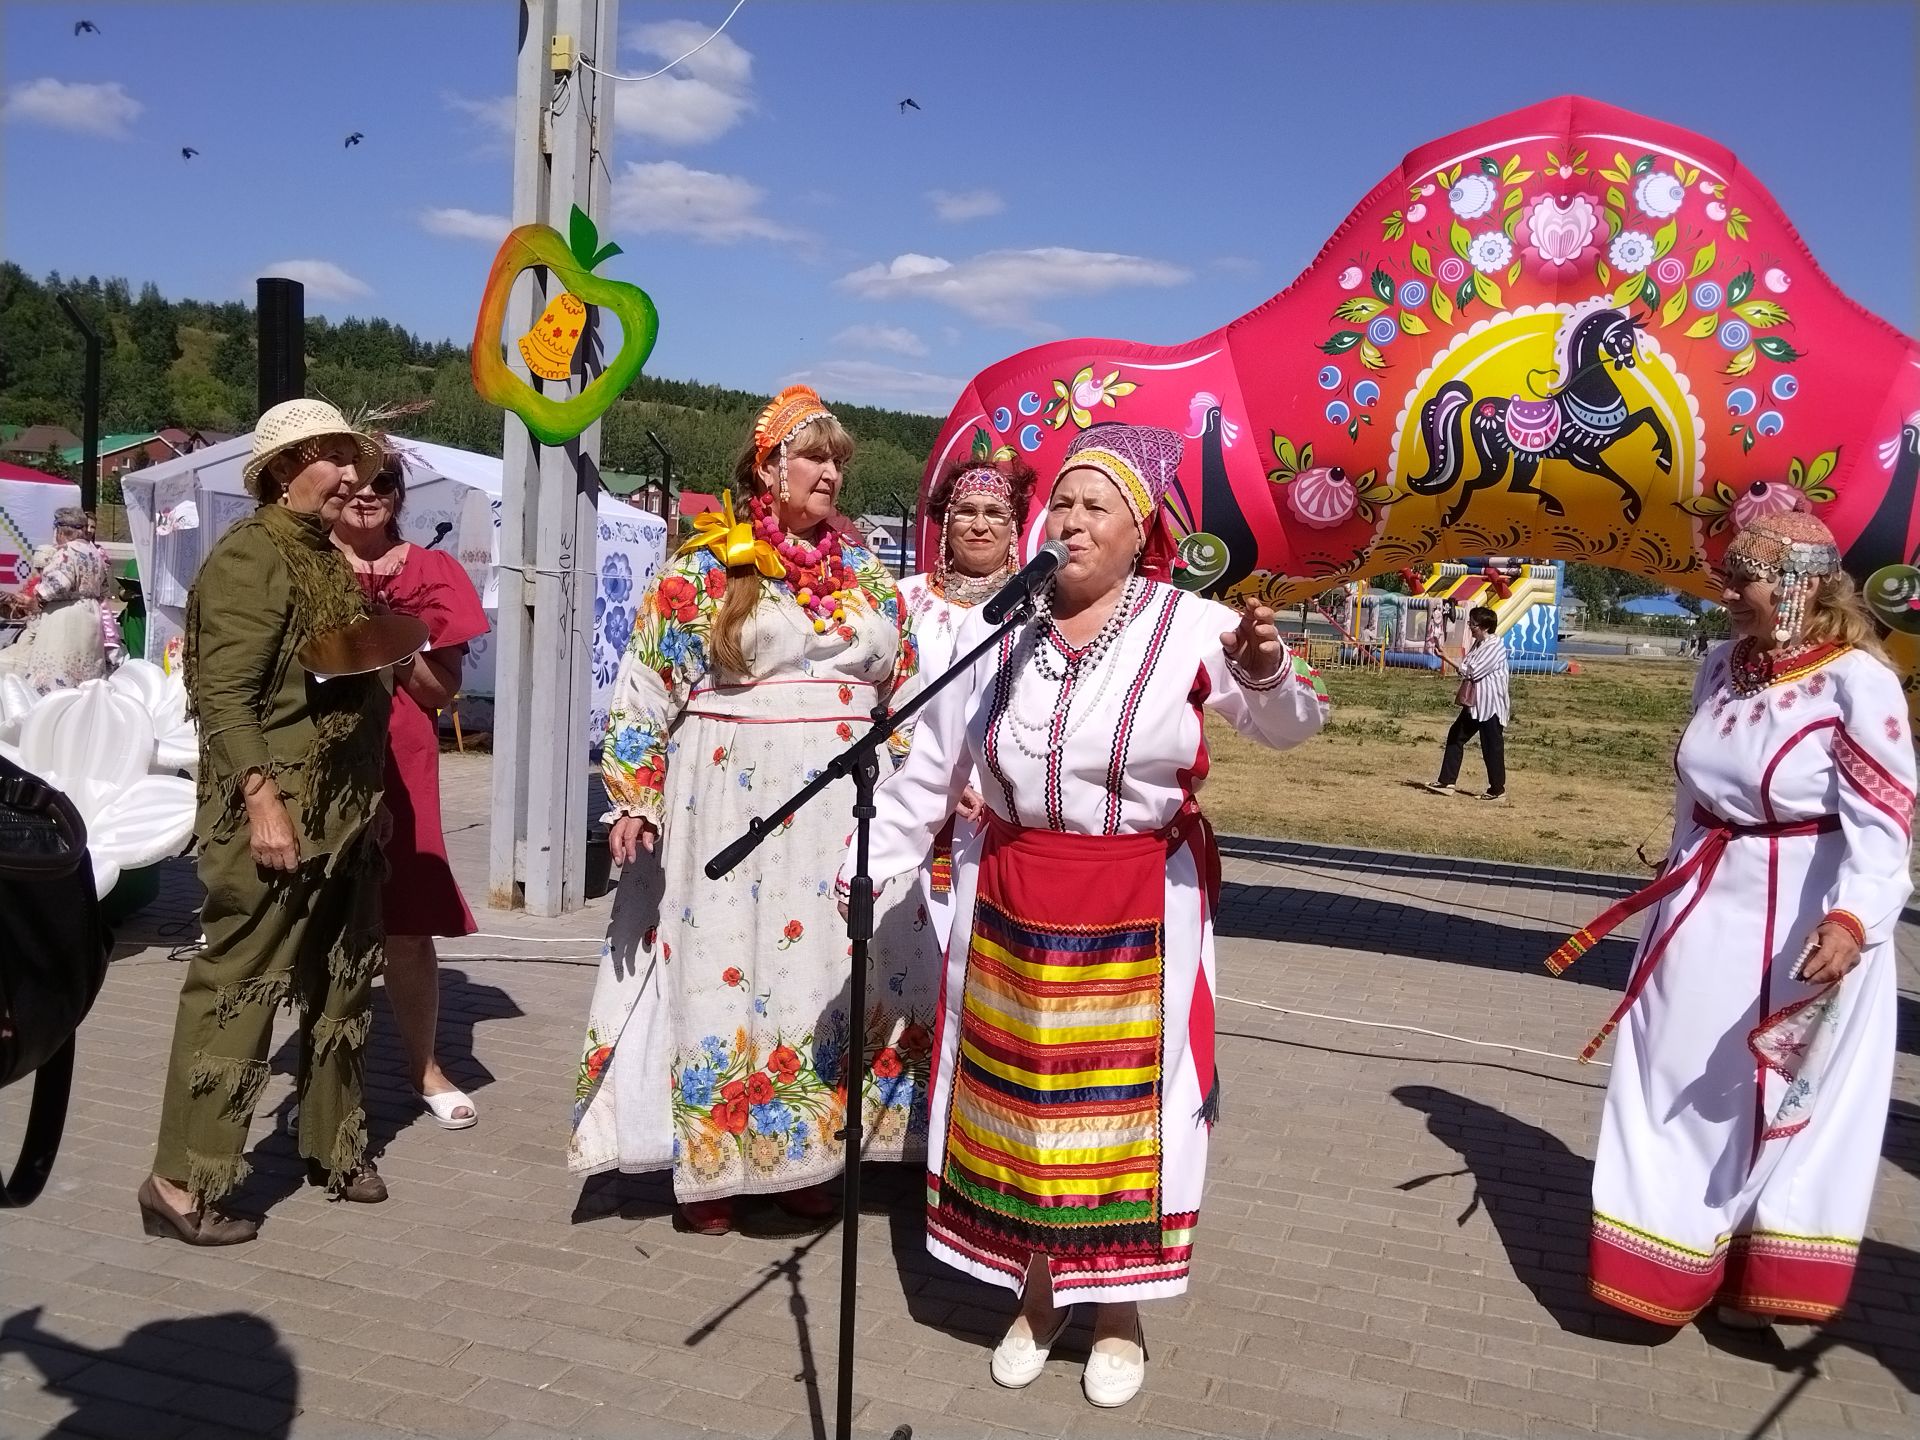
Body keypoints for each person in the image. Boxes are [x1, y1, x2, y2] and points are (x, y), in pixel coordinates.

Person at [853, 423, 1328, 1407]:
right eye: (1059, 504)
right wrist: (871, 871)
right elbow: (934, 764)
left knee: (1121, 1119)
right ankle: (1038, 1294)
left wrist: (1269, 667)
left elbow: (1291, 730)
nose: (1070, 520)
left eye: (1093, 506)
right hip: (1012, 897)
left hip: (1136, 904)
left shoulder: (1191, 626)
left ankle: (1119, 1310)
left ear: (1139, 527)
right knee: (1022, 1106)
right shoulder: (1000, 624)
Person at [568, 385, 930, 1236]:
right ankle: (716, 1167)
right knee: (724, 969)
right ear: (766, 467)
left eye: (839, 460)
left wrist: (915, 786)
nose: (830, 473)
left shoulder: (864, 572)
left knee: (819, 980)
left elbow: (906, 684)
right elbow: (646, 686)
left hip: (843, 807)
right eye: (813, 457)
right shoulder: (705, 567)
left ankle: (804, 1156)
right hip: (728, 806)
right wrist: (633, 797)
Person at [1544, 507, 1913, 1329]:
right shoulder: (1717, 666)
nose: (1726, 593)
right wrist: (1674, 872)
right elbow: (1695, 794)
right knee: (1671, 1079)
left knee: (1770, 1093)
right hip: (1702, 909)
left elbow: (1887, 823)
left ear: (1800, 584)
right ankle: (1663, 1263)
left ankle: (1757, 1269)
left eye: (1742, 577)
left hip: (1805, 922)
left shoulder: (1857, 680)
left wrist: (1854, 919)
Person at [139, 400, 395, 1244]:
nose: (353, 475)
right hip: (275, 817)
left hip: (344, 816)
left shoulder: (324, 554)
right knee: (236, 992)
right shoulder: (252, 558)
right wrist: (261, 804)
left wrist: (374, 800)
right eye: (333, 458)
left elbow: (347, 681)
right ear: (286, 469)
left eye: (354, 459)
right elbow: (224, 696)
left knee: (342, 978)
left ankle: (332, 1142)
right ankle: (182, 1182)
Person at [332, 449, 489, 1130]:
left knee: (407, 919)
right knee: (321, 916)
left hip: (402, 748)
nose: (368, 495)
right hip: (317, 748)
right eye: (356, 484)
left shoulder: (433, 571)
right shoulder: (302, 561)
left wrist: (391, 645)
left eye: (383, 485)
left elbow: (441, 690)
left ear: (400, 494)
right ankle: (326, 1073)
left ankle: (423, 1065)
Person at [888, 455, 1038, 951]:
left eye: (994, 513)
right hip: (913, 790)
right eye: (966, 511)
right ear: (945, 522)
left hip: (1005, 801)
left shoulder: (1040, 611)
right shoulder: (903, 601)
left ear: (1014, 526)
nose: (979, 525)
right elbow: (883, 695)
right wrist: (937, 781)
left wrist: (983, 782)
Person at [0, 507, 114, 691]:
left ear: (61, 531)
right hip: (90, 616)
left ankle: (54, 713)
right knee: (84, 672)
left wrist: (37, 597)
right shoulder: (95, 554)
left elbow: (59, 583)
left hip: (66, 617)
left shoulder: (66, 552)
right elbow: (104, 588)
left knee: (58, 671)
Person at [1425, 605, 1510, 800]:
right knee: (1456, 735)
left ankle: (1497, 790)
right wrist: (1448, 657)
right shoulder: (1479, 644)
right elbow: (1466, 666)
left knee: (1492, 747)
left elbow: (1473, 671)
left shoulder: (1494, 646)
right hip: (1475, 704)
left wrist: (1446, 658)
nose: (1470, 627)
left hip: (1491, 706)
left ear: (1485, 627)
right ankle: (1446, 782)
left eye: (1473, 624)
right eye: (1470, 623)